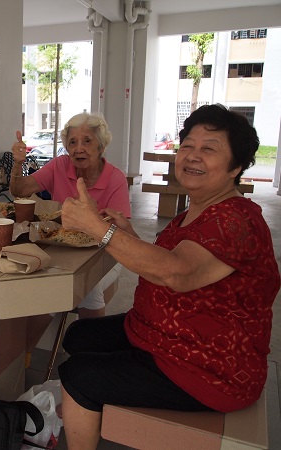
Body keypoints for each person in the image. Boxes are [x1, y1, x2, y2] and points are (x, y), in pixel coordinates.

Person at [58, 104, 280, 450]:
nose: (192, 155)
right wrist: (128, 234)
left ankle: (84, 408)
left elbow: (178, 273)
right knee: (79, 335)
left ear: (236, 167)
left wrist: (97, 228)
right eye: (187, 145)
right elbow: (168, 261)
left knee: (77, 375)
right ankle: (89, 414)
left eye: (209, 148)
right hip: (159, 334)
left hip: (206, 366)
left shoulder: (237, 220)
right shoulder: (198, 210)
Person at [10, 112, 130, 318]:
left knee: (89, 288)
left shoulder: (116, 178)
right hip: (61, 250)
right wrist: (18, 163)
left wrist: (91, 218)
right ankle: (41, 334)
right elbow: (19, 190)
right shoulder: (59, 165)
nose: (78, 148)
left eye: (87, 141)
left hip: (104, 255)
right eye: (72, 142)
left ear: (101, 147)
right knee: (35, 279)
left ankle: (88, 338)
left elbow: (123, 234)